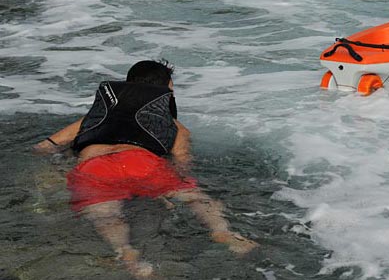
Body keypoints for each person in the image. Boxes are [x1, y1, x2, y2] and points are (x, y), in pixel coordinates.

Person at [32, 60, 257, 278]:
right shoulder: (175, 126)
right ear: (166, 90)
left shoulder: (93, 119)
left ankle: (126, 252)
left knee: (106, 216)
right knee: (194, 197)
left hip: (95, 166)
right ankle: (223, 232)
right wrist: (174, 184)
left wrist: (56, 170)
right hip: (143, 163)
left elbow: (45, 147)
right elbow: (182, 162)